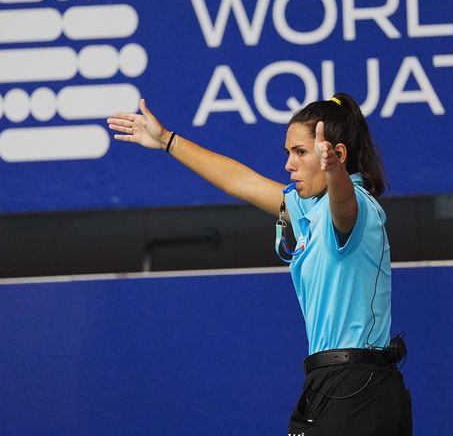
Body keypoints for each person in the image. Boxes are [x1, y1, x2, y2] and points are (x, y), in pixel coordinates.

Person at [107, 93, 412, 436]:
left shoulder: (353, 208)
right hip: (333, 385)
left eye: (300, 152)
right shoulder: (307, 206)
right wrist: (167, 141)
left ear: (336, 156)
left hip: (357, 390)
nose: (289, 165)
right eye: (288, 153)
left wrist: (335, 173)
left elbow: (343, 203)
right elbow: (243, 182)